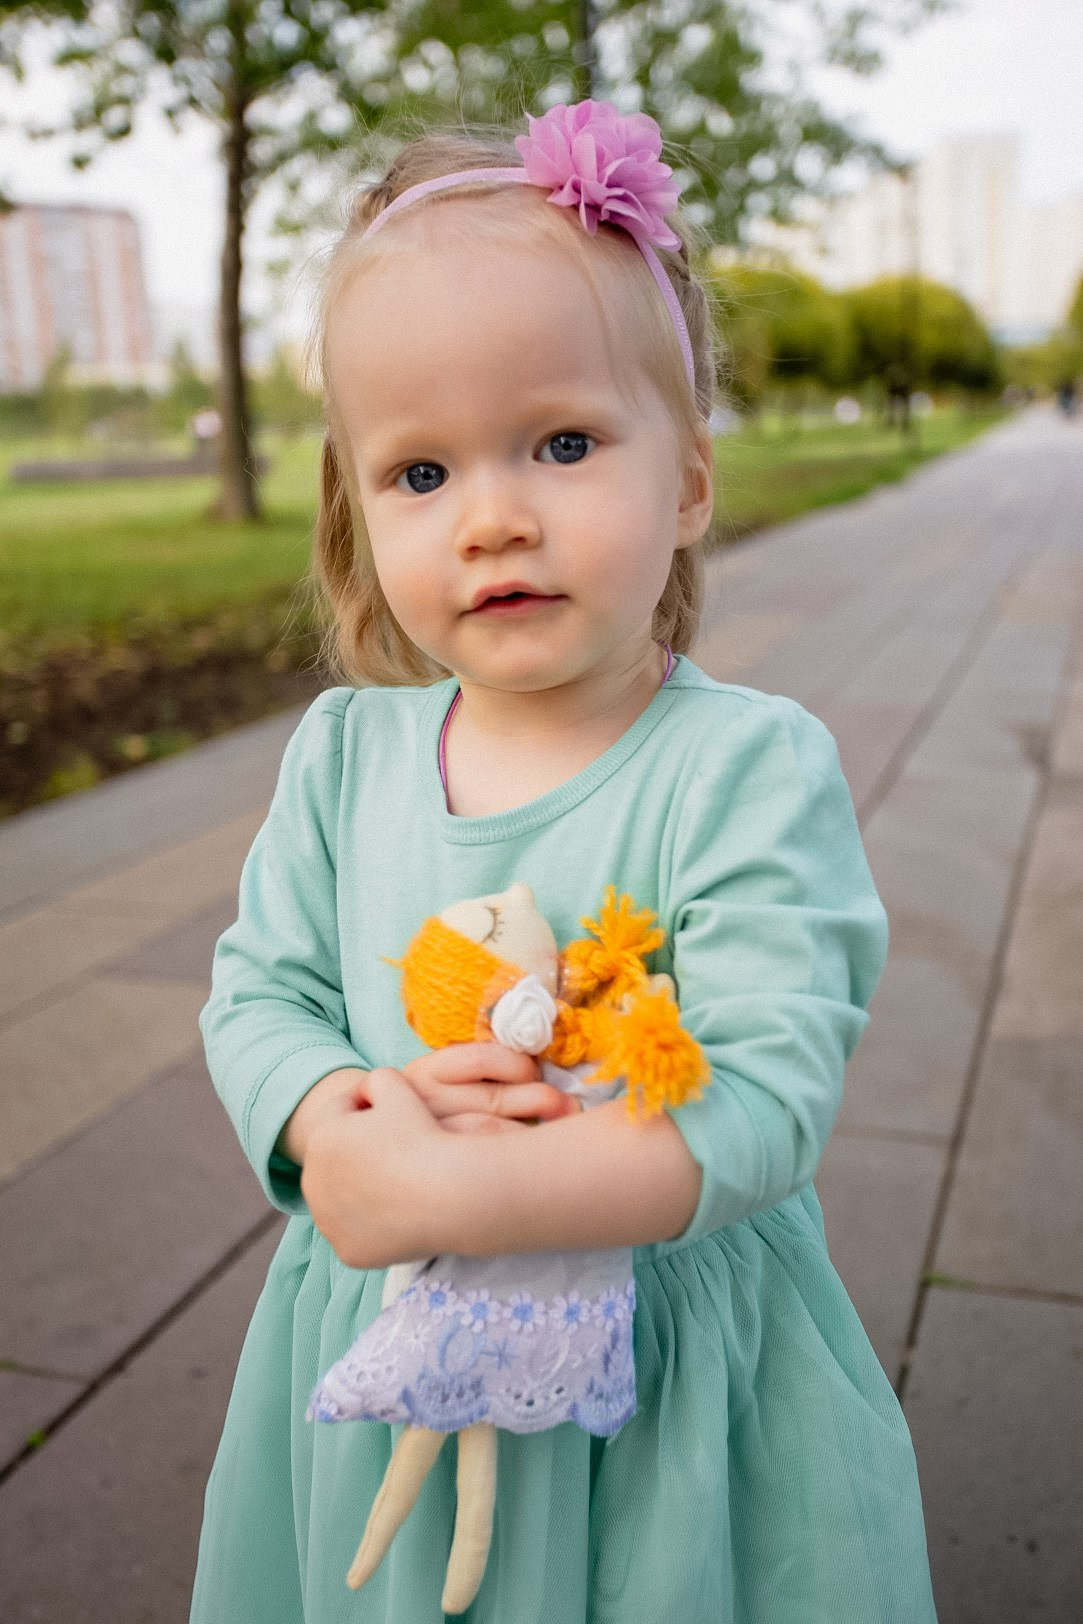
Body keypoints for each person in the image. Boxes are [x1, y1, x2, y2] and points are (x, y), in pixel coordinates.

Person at [193, 100, 937, 1623]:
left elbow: (767, 1092)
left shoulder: (740, 768)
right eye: (420, 475)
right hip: (386, 1331)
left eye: (563, 442)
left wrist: (450, 1199)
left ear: (687, 484)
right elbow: (257, 994)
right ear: (358, 514)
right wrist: (343, 1127)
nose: (495, 517)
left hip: (667, 1388)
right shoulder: (345, 761)